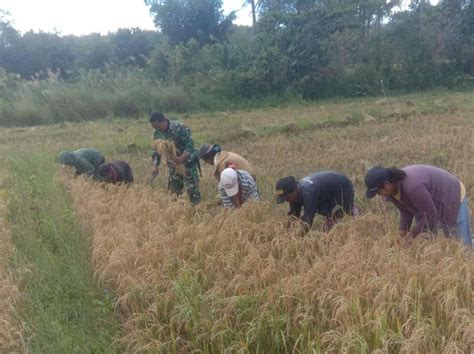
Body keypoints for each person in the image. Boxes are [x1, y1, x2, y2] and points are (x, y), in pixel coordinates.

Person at [364, 165, 472, 247]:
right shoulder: (392, 191)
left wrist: (412, 235)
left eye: (378, 192)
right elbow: (405, 212)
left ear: (387, 184)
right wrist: (402, 234)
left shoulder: (412, 188)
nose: (379, 195)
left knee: (460, 242)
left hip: (451, 194)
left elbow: (430, 215)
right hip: (431, 202)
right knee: (429, 237)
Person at [276, 172, 357, 233]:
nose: (286, 201)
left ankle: (357, 216)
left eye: (287, 197)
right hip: (327, 191)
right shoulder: (294, 193)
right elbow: (293, 216)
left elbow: (308, 220)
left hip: (342, 186)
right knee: (330, 218)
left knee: (335, 221)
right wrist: (286, 233)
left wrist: (296, 240)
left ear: (293, 190)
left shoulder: (308, 192)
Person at [150, 112, 201, 205]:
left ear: (164, 121)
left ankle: (196, 210)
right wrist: (155, 165)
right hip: (173, 165)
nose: (157, 129)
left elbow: (189, 146)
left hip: (187, 163)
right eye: (155, 128)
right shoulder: (157, 133)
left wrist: (181, 158)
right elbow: (156, 150)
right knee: (174, 191)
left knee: (192, 189)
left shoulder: (180, 128)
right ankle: (177, 211)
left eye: (158, 126)